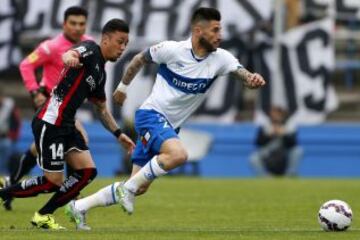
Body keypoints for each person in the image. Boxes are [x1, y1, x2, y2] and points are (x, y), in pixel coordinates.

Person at [64, 7, 265, 230]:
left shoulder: (221, 59)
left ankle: (79, 206)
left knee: (138, 186)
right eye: (215, 30)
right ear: (198, 30)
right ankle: (126, 191)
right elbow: (140, 59)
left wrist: (253, 79)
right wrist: (122, 87)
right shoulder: (172, 50)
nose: (220, 35)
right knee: (178, 154)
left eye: (221, 30)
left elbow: (244, 76)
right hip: (150, 116)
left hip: (169, 126)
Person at [0, 18, 135, 230]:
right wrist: (70, 57)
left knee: (88, 172)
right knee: (52, 181)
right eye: (120, 42)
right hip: (51, 122)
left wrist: (118, 134)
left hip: (68, 124)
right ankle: (4, 194)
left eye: (126, 43)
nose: (123, 48)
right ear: (106, 39)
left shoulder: (101, 73)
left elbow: (101, 109)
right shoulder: (90, 49)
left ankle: (43, 215)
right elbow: (70, 53)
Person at [0, 6, 92, 211]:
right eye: (73, 23)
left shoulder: (89, 44)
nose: (77, 28)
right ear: (64, 24)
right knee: (76, 142)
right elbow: (26, 65)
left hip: (68, 107)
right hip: (50, 104)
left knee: (37, 148)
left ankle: (11, 185)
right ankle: (70, 195)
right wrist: (35, 92)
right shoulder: (51, 47)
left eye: (81, 24)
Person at [250, 106, 303, 176]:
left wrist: (284, 134)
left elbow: (294, 143)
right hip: (269, 153)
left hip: (284, 152)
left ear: (282, 115)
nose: (275, 117)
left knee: (298, 151)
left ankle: (290, 174)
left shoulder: (289, 125)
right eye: (273, 114)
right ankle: (264, 177)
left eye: (278, 115)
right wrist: (269, 135)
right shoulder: (265, 125)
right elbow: (257, 143)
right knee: (254, 157)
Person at [0, 89, 21, 175]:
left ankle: (3, 176)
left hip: (5, 137)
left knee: (6, 147)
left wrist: (12, 136)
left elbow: (16, 122)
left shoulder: (9, 105)